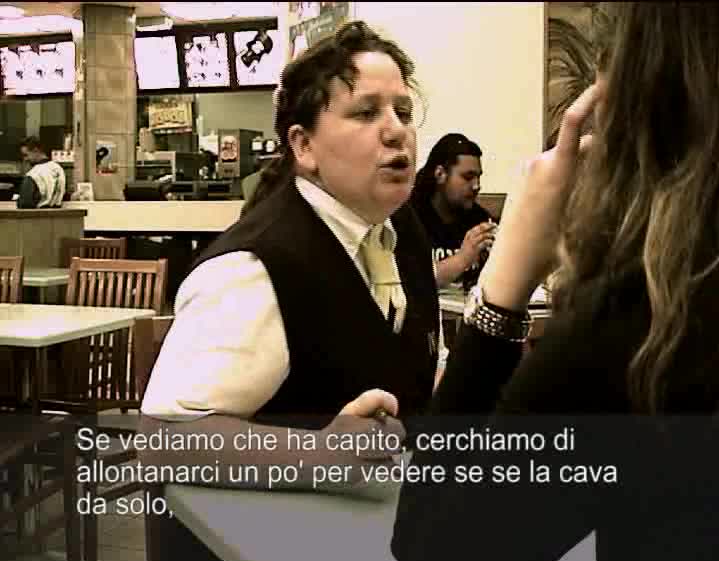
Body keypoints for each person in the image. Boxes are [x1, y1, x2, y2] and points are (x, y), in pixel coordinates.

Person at [392, 3, 719, 561]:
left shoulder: (647, 320)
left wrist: (504, 281)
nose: (393, 133)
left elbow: (436, 554)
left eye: (400, 111)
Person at [140, 21, 441, 489]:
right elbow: (163, 441)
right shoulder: (253, 267)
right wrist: (319, 456)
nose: (397, 131)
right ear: (304, 145)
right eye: (366, 113)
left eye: (403, 111)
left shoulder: (402, 229)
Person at [411, 133, 497, 289]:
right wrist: (462, 258)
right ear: (440, 174)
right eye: (468, 177)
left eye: (478, 177)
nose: (476, 186)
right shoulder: (409, 218)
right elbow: (410, 282)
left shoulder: (480, 219)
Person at [16, 136, 65, 209]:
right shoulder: (58, 169)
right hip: (58, 213)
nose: (25, 159)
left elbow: (24, 203)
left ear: (36, 150)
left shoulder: (33, 174)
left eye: (26, 155)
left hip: (38, 214)